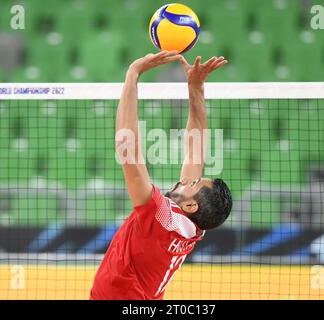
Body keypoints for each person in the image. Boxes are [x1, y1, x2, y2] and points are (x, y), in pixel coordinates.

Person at [90, 51, 232, 300]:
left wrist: (133, 74)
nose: (190, 177)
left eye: (195, 182)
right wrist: (196, 87)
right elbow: (195, 148)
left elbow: (126, 147)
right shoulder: (192, 226)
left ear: (190, 204)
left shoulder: (160, 215)